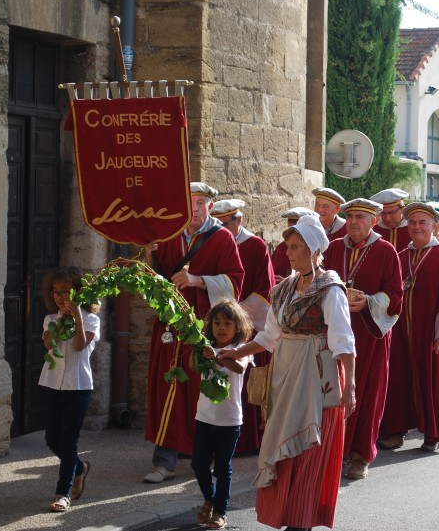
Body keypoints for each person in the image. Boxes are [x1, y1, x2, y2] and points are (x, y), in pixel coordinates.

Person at [220, 214, 356, 531]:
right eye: (288, 246)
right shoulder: (282, 290)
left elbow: (343, 342)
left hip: (318, 378)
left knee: (308, 452)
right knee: (284, 451)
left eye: (296, 246)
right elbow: (269, 337)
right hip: (286, 375)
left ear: (314, 249)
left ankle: (301, 521)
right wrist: (235, 352)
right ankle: (286, 515)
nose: (289, 252)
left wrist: (349, 387)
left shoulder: (330, 289)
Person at [142, 182, 245, 483]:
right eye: (190, 203)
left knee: (204, 391)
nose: (196, 209)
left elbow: (235, 282)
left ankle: (209, 457)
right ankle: (164, 462)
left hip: (204, 328)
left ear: (210, 207)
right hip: (170, 327)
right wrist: (150, 258)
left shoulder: (222, 238)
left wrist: (199, 280)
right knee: (167, 389)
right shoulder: (170, 236)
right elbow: (156, 283)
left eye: (201, 203)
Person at [378, 203, 439, 451]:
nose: (417, 227)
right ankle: (396, 432)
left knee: (432, 383)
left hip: (432, 335)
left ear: (434, 226)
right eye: (412, 222)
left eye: (423, 222)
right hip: (399, 334)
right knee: (398, 381)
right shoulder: (399, 257)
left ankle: (432, 433)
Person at [322, 198, 403, 479]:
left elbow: (395, 296)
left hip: (370, 335)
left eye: (360, 217)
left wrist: (368, 302)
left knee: (367, 395)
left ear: (374, 221)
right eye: (351, 216)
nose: (353, 221)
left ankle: (360, 456)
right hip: (334, 333)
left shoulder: (385, 251)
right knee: (332, 391)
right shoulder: (333, 249)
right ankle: (334, 452)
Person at [212, 198, 275, 454]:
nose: (220, 229)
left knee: (243, 378)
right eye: (217, 224)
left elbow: (265, 290)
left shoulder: (255, 246)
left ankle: (246, 441)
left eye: (225, 224)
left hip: (245, 325)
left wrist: (236, 317)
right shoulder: (211, 244)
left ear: (239, 220)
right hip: (216, 324)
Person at [39, 266, 100, 512]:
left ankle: (62, 493)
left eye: (65, 291)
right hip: (53, 383)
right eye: (55, 292)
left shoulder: (91, 318)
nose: (59, 297)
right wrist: (62, 318)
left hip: (78, 386)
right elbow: (49, 344)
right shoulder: (50, 319)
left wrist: (75, 316)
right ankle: (80, 468)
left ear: (77, 293)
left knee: (68, 441)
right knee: (51, 439)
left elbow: (78, 346)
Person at [191, 300, 253, 530]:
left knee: (222, 467)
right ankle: (210, 497)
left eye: (227, 323)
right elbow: (192, 366)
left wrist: (215, 357)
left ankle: (220, 512)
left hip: (229, 420)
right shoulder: (206, 346)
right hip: (204, 417)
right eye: (217, 323)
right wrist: (199, 351)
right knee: (198, 463)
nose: (221, 328)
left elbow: (239, 368)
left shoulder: (240, 350)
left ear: (237, 327)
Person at [271, 207, 319, 283]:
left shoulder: (315, 249)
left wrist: (289, 283)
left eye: (297, 221)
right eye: (290, 220)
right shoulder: (281, 248)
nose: (292, 224)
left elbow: (318, 278)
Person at [371, 188, 412, 252]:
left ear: (403, 209)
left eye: (391, 213)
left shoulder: (413, 230)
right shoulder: (374, 232)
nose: (387, 218)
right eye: (383, 213)